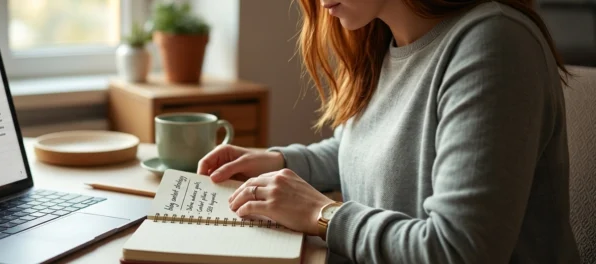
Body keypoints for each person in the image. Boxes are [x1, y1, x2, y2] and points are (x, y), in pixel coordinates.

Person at [197, 0, 581, 263]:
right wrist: (279, 161)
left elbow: (458, 251)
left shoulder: (493, 43)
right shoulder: (382, 39)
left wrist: (321, 213)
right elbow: (365, 149)